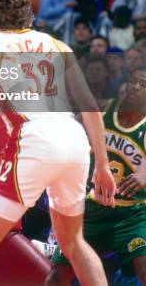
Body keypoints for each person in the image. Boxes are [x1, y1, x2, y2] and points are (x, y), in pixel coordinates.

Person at [0, 0, 116, 286]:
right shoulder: (57, 44)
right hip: (74, 142)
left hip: (34, 141)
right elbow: (89, 106)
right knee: (73, 243)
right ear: (28, 7)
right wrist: (103, 164)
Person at [46, 66, 146, 285]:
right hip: (92, 208)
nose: (136, 88)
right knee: (57, 275)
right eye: (133, 81)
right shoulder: (102, 110)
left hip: (132, 215)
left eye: (143, 85)